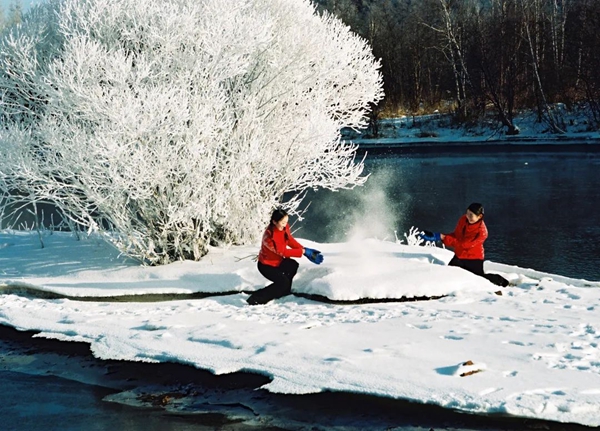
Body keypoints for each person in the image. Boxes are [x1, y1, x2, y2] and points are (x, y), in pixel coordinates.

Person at [420, 202, 509, 287]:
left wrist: (441, 237)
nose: (468, 216)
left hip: (474, 259)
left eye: (471, 215)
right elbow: (456, 235)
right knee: (448, 275)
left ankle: (501, 281)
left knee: (479, 280)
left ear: (480, 216)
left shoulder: (482, 233)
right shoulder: (463, 219)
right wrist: (436, 236)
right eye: (467, 213)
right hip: (459, 256)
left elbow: (464, 245)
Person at [248, 208, 323, 305]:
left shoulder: (284, 227)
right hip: (267, 266)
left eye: (286, 222)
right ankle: (256, 298)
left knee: (292, 265)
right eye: (283, 222)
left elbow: (289, 240)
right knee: (283, 283)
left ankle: (284, 292)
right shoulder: (269, 237)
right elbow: (282, 252)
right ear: (274, 222)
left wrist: (304, 249)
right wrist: (302, 252)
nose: (285, 225)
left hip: (278, 262)